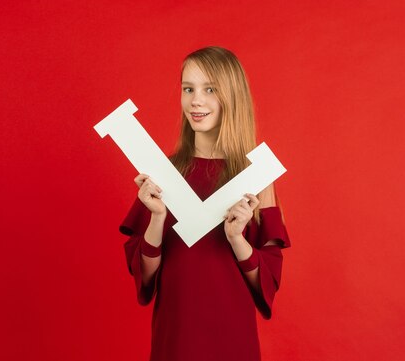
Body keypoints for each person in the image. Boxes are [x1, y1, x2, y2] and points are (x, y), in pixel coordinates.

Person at [120, 46, 291, 361]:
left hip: (232, 338)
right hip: (176, 337)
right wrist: (157, 218)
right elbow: (145, 279)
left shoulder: (257, 178)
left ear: (231, 96)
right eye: (188, 89)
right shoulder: (163, 174)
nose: (195, 100)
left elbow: (266, 285)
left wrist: (236, 238)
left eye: (209, 89)